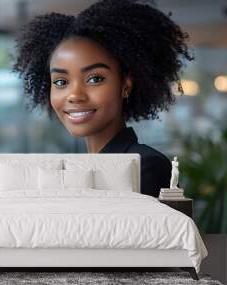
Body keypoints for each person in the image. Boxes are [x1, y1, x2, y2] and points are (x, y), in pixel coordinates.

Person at [12, 0, 193, 197]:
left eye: (94, 78)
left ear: (126, 85)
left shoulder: (145, 166)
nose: (74, 95)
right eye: (61, 82)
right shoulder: (76, 170)